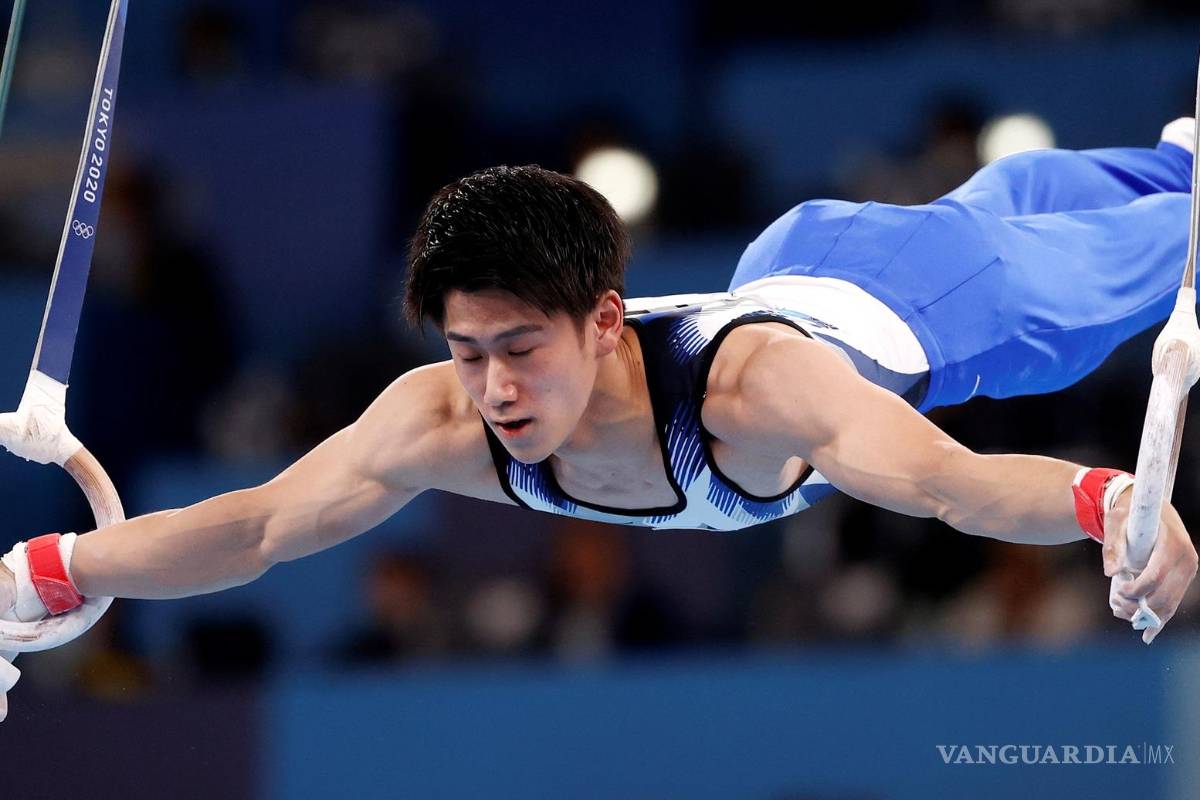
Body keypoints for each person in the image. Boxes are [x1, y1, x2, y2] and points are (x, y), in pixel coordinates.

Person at [3, 119, 1199, 718]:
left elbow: (944, 482)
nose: (495, 390)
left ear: (605, 320)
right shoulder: (442, 416)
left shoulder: (750, 396)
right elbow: (262, 526)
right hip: (797, 250)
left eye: (521, 349)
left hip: (941, 307)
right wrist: (56, 567)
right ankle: (1159, 161)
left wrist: (1112, 505)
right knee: (1023, 198)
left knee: (1120, 252)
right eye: (467, 353)